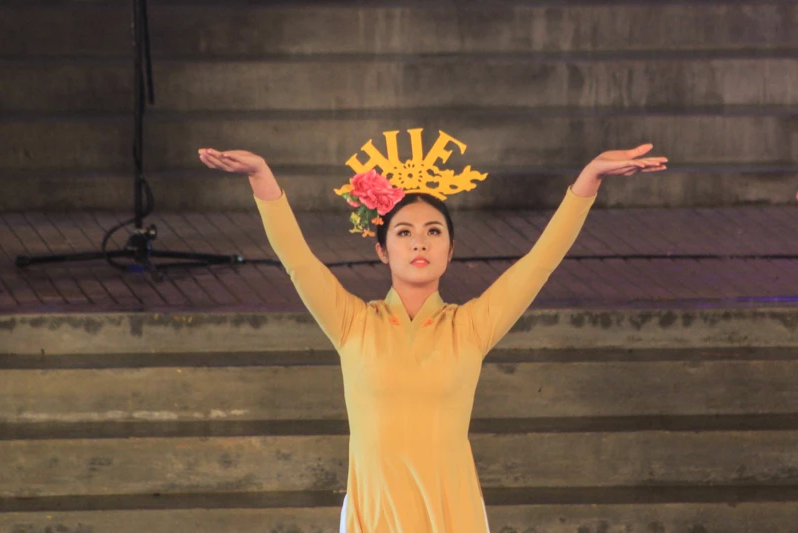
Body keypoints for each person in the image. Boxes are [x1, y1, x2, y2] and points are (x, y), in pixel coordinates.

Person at [198, 143, 667, 533]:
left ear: (450, 249)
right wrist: (261, 178)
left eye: (433, 231)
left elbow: (540, 261)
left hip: (453, 517)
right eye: (404, 232)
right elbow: (298, 261)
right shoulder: (352, 323)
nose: (419, 242)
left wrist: (589, 179)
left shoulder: (471, 327)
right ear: (382, 250)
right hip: (373, 518)